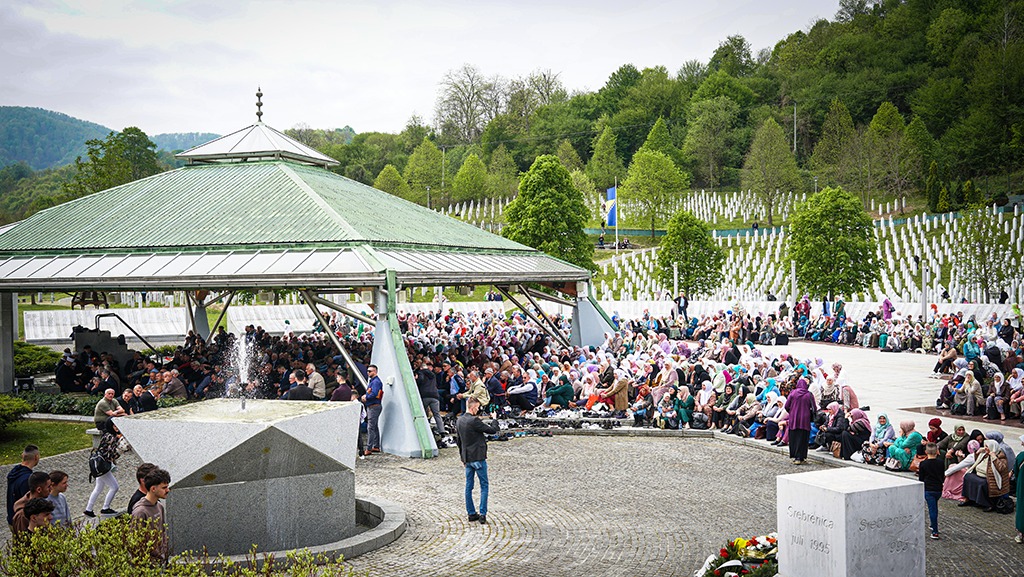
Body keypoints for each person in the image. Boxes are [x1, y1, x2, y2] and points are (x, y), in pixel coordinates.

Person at [457, 397, 499, 524]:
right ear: (473, 407)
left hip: (467, 458)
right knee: (484, 486)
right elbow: (493, 430)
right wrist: (494, 419)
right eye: (478, 407)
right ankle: (482, 514)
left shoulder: (459, 420)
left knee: (468, 486)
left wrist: (462, 458)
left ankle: (471, 513)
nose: (478, 409)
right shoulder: (474, 420)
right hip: (478, 457)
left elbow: (459, 441)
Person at [85, 423, 125, 517]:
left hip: (99, 464)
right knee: (114, 487)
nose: (116, 427)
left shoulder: (107, 435)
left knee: (98, 488)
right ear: (111, 426)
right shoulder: (111, 437)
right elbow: (110, 454)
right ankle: (105, 508)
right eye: (114, 426)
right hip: (103, 466)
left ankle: (88, 509)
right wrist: (120, 449)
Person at [132, 468, 171, 562]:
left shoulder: (159, 506)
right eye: (164, 488)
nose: (168, 490)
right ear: (153, 489)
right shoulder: (140, 512)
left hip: (161, 560)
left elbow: (163, 532)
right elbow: (135, 543)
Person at [960, 439, 1010, 511]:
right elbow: (977, 461)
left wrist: (994, 457)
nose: (985, 448)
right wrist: (978, 453)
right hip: (979, 474)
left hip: (991, 478)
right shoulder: (985, 454)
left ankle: (987, 504)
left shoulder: (1001, 456)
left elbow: (1001, 468)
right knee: (967, 477)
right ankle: (968, 498)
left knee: (982, 483)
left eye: (987, 447)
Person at [784, 378, 816, 465]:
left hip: (794, 419)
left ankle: (796, 457)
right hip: (805, 419)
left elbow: (786, 406)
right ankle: (802, 457)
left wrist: (792, 412)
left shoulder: (793, 393)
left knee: (794, 437)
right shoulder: (809, 394)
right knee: (803, 438)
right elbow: (814, 407)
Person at [6, 445, 39, 529]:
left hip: (12, 518)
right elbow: (29, 502)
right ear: (36, 457)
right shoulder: (27, 479)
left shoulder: (14, 473)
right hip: (22, 523)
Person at [918, 443, 944, 540]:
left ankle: (935, 531)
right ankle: (933, 525)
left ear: (926, 452)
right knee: (934, 507)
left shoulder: (923, 464)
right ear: (937, 452)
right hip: (938, 489)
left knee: (932, 510)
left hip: (928, 489)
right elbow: (942, 475)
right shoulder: (941, 462)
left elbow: (921, 478)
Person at [361, 364, 384, 456]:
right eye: (367, 371)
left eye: (370, 371)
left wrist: (366, 397)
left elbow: (374, 394)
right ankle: (376, 445)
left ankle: (369, 448)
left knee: (370, 427)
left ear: (375, 371)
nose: (368, 373)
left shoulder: (376, 382)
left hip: (373, 406)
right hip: (374, 406)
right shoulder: (374, 381)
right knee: (374, 426)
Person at [1013, 434, 1024, 544]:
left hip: (1022, 485)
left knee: (1021, 507)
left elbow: (1016, 471)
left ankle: (1021, 533)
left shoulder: (1021, 456)